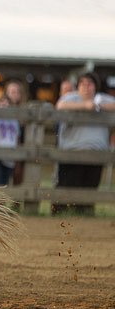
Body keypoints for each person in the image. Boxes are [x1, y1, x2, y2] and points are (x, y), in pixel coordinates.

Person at [53, 72, 115, 215]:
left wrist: (99, 106)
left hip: (96, 153)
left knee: (90, 186)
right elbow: (60, 105)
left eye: (90, 84)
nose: (86, 87)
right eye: (83, 83)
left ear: (95, 86)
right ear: (78, 86)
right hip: (71, 151)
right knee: (66, 186)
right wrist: (85, 106)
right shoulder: (70, 97)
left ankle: (85, 213)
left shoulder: (102, 99)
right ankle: (60, 214)